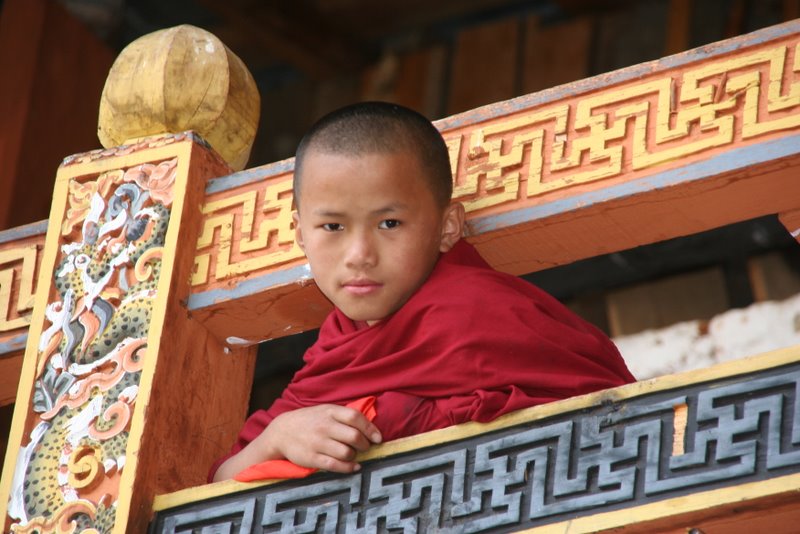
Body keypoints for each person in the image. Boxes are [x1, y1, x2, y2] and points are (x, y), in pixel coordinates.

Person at [210, 102, 635, 482]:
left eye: (389, 224)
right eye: (333, 227)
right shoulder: (335, 352)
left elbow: (621, 424)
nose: (359, 255)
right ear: (300, 233)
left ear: (447, 227)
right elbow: (220, 484)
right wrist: (277, 439)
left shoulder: (482, 313)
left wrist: (398, 416)